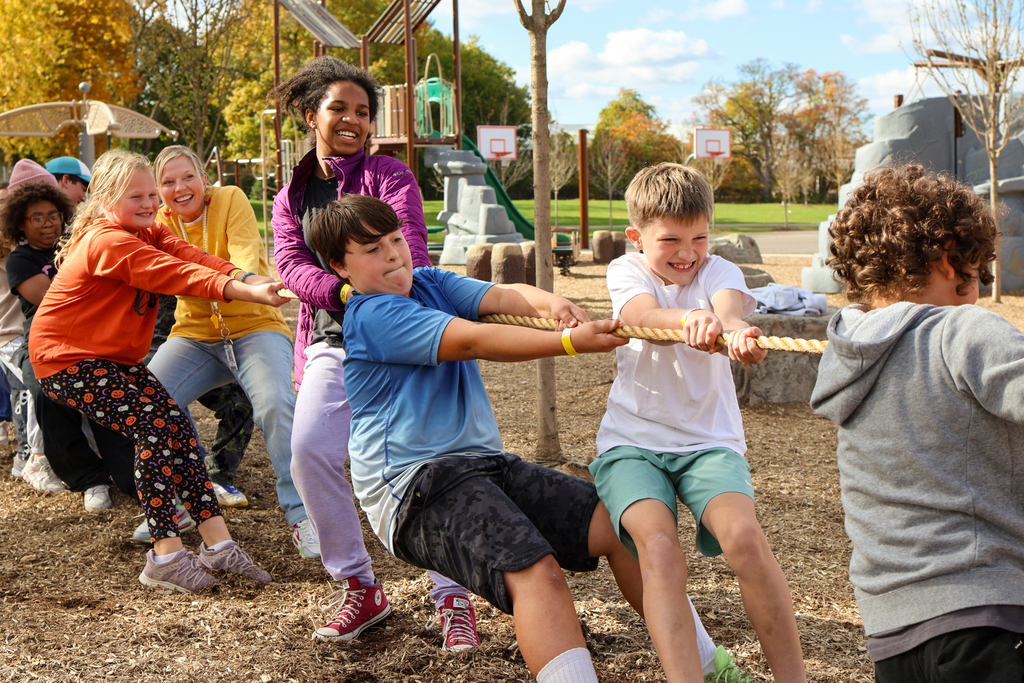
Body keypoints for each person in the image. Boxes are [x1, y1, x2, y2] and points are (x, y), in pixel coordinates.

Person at [307, 194, 719, 683]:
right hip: (413, 487)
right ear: (340, 266)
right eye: (372, 249)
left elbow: (501, 298)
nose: (394, 253)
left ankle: (710, 668)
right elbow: (473, 339)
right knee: (536, 572)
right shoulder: (373, 314)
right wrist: (568, 342)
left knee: (619, 527)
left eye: (396, 239)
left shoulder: (429, 282)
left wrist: (554, 304)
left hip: (482, 465)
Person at [270, 56, 480, 649]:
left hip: (401, 332)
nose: (352, 121)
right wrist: (341, 291)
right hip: (335, 339)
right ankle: (360, 587)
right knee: (309, 450)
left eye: (363, 112)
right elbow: (290, 265)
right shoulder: (292, 195)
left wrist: (374, 295)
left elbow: (409, 246)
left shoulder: (391, 174)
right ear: (312, 115)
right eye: (339, 109)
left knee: (430, 457)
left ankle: (452, 592)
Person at [591, 163, 806, 682]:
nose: (688, 253)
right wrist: (688, 320)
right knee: (659, 549)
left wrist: (735, 333)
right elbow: (642, 315)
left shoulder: (719, 272)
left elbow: (729, 312)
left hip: (709, 442)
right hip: (632, 443)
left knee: (745, 541)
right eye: (670, 240)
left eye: (700, 237)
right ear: (636, 237)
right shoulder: (627, 271)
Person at [810, 164, 1024, 683]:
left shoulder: (847, 353)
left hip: (891, 635)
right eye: (978, 272)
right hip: (985, 615)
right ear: (953, 259)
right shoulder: (964, 330)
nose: (978, 288)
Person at [29, 148, 278, 593]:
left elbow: (188, 254)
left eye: (150, 194)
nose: (148, 203)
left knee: (177, 426)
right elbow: (175, 274)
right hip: (65, 359)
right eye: (135, 196)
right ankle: (165, 556)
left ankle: (217, 545)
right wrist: (241, 291)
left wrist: (243, 274)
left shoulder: (148, 230)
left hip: (109, 359)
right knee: (156, 427)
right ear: (105, 201)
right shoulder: (107, 240)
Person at [144, 145, 314, 552]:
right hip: (194, 334)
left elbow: (242, 256)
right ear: (158, 190)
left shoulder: (230, 199)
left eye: (188, 177)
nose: (180, 188)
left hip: (253, 326)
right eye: (168, 182)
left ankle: (303, 514)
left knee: (274, 404)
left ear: (204, 178)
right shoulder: (157, 223)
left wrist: (253, 284)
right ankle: (172, 508)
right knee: (149, 402)